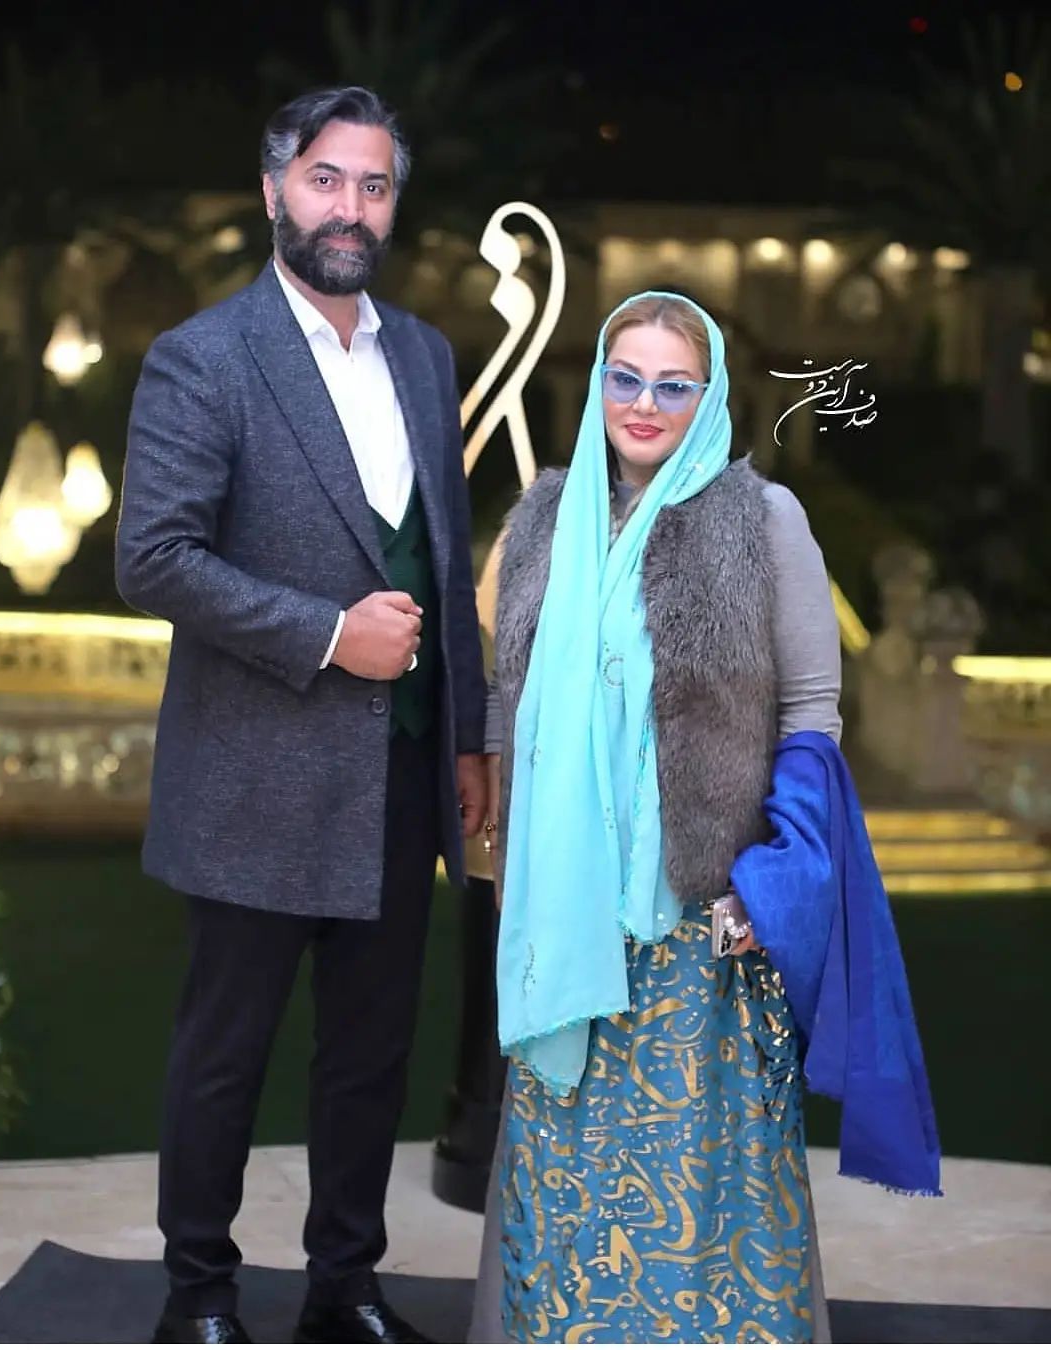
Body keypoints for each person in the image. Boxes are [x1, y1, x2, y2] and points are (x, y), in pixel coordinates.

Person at [469, 291, 938, 1344]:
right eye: (625, 378)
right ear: (598, 386)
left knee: (700, 1169)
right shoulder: (543, 519)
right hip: (561, 906)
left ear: (710, 394)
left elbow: (811, 713)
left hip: (700, 912)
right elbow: (513, 687)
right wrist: (506, 830)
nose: (644, 404)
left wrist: (776, 876)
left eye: (673, 385)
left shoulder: (760, 521)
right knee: (567, 1166)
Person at [116, 86, 487, 1345]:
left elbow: (446, 564)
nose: (351, 208)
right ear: (275, 187)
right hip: (254, 774)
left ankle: (343, 1288)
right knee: (224, 1055)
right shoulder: (205, 355)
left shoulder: (424, 355)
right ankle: (199, 1298)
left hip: (401, 776)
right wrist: (330, 633)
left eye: (374, 186)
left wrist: (469, 736)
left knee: (370, 1055)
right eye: (327, 180)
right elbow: (152, 558)